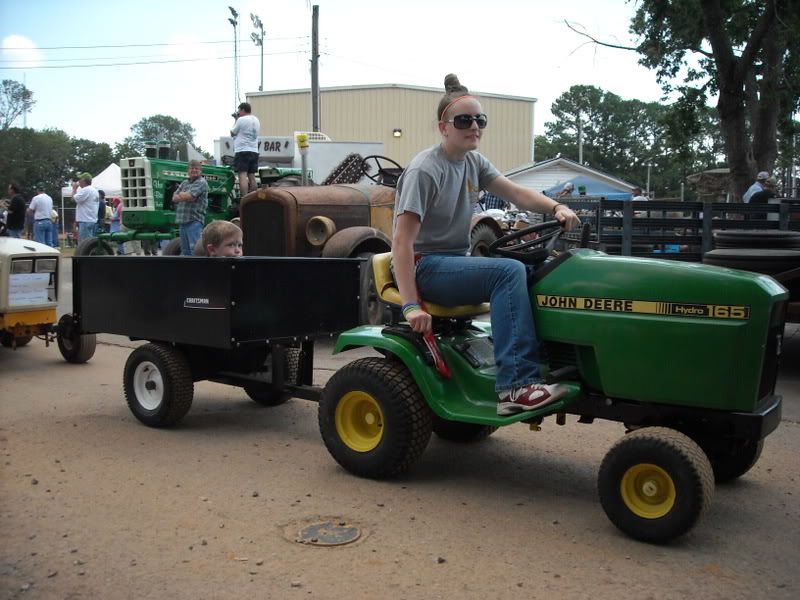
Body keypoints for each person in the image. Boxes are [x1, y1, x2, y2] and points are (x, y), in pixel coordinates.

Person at [393, 73, 580, 416]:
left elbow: (516, 192)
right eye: (464, 120)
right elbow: (402, 242)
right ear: (443, 127)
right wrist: (410, 306)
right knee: (507, 272)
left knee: (537, 267)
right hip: (426, 266)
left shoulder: (473, 162)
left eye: (480, 119)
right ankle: (514, 388)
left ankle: (541, 362)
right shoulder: (425, 170)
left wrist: (556, 206)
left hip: (453, 262)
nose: (474, 126)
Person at [173, 159, 209, 256]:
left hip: (194, 221)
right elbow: (174, 198)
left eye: (196, 169)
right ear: (188, 171)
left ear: (201, 171)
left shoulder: (202, 182)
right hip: (183, 222)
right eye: (192, 168)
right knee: (185, 251)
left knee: (195, 250)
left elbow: (189, 196)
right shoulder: (185, 182)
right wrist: (184, 196)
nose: (194, 170)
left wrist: (183, 195)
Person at [230, 102, 260, 197]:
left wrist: (236, 119)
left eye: (239, 111)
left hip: (242, 150)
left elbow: (232, 132)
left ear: (242, 110)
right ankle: (253, 197)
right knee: (251, 176)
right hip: (254, 151)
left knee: (242, 175)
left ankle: (244, 198)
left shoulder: (241, 120)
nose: (238, 113)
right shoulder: (256, 120)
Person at [72, 172, 99, 243]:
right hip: (92, 220)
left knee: (84, 244)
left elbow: (73, 199)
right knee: (91, 243)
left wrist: (74, 189)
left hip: (85, 220)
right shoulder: (94, 190)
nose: (79, 182)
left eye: (80, 180)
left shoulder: (86, 190)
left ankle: (84, 254)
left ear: (83, 180)